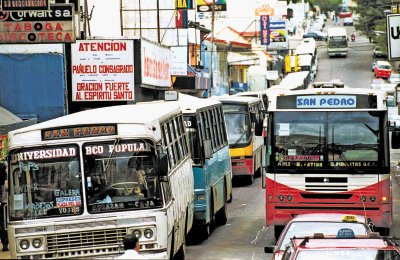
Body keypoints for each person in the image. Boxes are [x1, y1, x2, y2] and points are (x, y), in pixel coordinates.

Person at [0, 163, 8, 251]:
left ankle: (5, 244)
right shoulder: (3, 166)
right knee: (3, 223)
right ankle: (5, 244)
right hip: (4, 202)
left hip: (3, 202)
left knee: (3, 223)